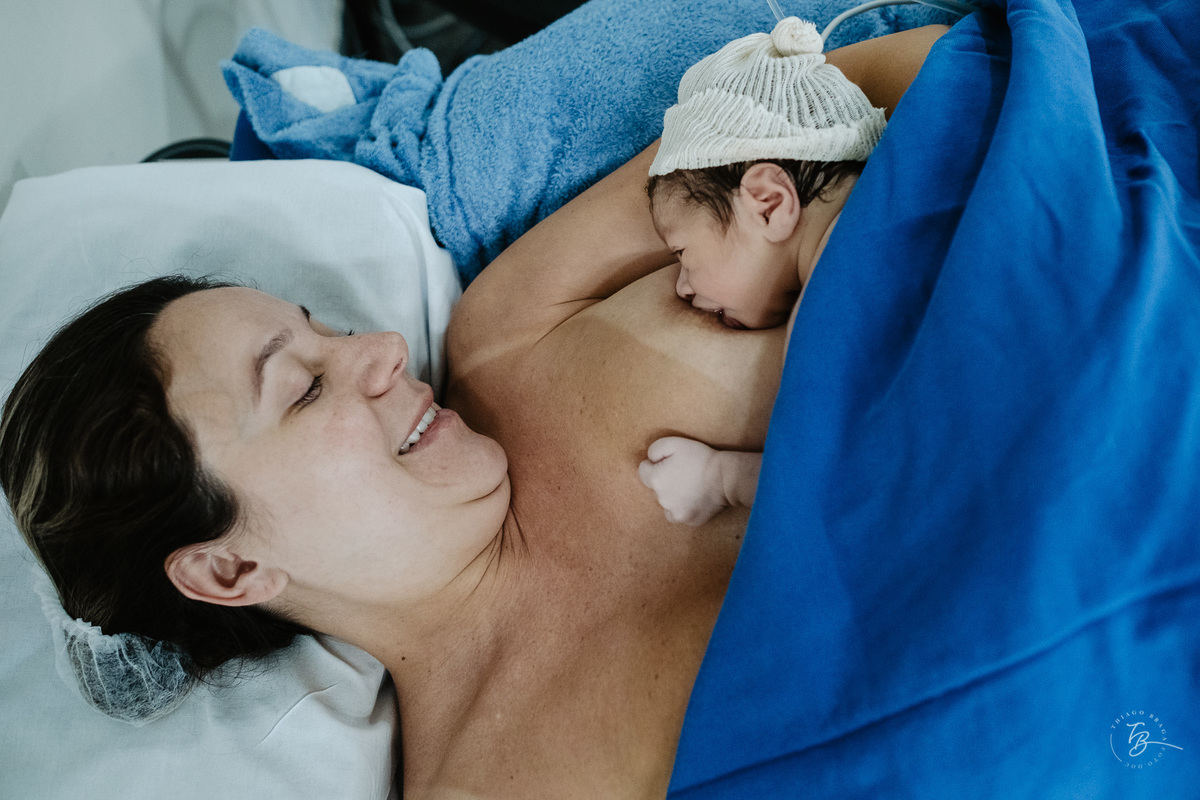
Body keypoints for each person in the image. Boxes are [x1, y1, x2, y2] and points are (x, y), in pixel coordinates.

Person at [0, 24, 947, 799]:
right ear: (230, 565)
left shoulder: (514, 329)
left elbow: (840, 88)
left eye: (322, 326)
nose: (382, 350)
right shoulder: (490, 784)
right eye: (303, 387)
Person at [637, 16, 890, 527]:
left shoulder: (831, 300)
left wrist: (721, 478)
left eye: (682, 253)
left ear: (768, 204)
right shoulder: (891, 200)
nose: (681, 288)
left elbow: (856, 479)